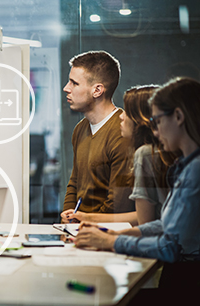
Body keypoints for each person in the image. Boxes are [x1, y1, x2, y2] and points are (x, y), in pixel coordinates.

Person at [75, 77, 200, 302]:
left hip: (189, 277)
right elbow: (167, 224)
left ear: (179, 117)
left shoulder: (195, 170)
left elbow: (170, 246)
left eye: (158, 120)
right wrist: (119, 234)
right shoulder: (187, 165)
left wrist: (110, 242)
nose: (156, 129)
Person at [62, 85, 174, 225]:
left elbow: (145, 224)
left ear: (141, 120)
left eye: (127, 111)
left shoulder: (145, 155)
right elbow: (142, 217)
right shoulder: (154, 154)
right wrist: (85, 218)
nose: (121, 116)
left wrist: (101, 235)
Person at [61, 50, 134, 222]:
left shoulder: (122, 132)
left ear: (97, 90)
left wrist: (83, 222)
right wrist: (68, 215)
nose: (66, 88)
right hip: (79, 228)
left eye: (74, 83)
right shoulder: (80, 129)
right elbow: (74, 182)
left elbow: (118, 204)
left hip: (106, 232)